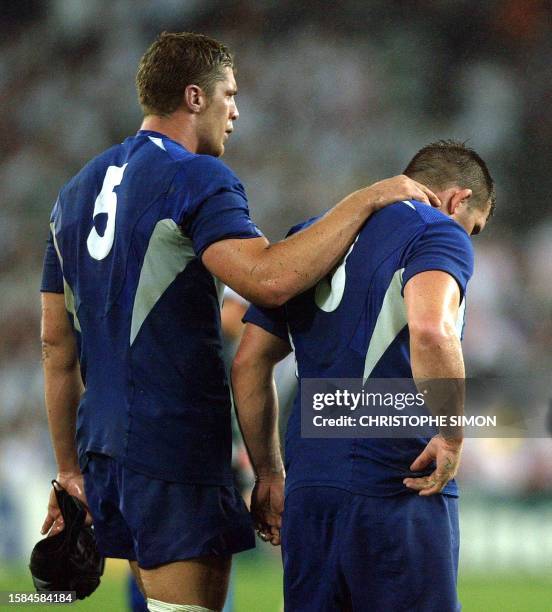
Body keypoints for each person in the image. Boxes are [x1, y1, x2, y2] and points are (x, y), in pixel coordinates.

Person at [39, 31, 440, 612]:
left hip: (102, 450)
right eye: (230, 94)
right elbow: (269, 279)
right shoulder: (195, 177)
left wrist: (69, 472)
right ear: (195, 96)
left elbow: (56, 346)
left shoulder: (70, 195)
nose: (236, 112)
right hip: (171, 443)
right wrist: (369, 199)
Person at [233, 140, 495, 611]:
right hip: (395, 478)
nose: (466, 238)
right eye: (473, 228)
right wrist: (452, 436)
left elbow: (249, 362)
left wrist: (269, 472)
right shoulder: (438, 232)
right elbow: (432, 330)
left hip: (310, 489)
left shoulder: (313, 236)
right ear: (459, 200)